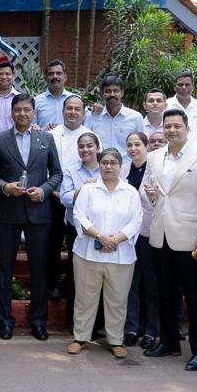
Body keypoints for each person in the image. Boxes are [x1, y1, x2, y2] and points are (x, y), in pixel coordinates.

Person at [0, 93, 64, 340]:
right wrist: (4, 187)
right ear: (12, 112)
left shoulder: (46, 139)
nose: (22, 114)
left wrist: (43, 191)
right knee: (5, 268)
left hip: (38, 213)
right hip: (9, 211)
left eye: (26, 110)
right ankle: (4, 320)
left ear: (33, 113)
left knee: (39, 269)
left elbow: (57, 174)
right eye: (18, 110)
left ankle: (39, 321)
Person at [142, 108, 197, 370]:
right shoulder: (154, 157)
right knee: (165, 293)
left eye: (176, 126)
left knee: (194, 297)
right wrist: (150, 195)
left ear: (187, 128)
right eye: (167, 126)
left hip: (188, 237)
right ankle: (169, 341)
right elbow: (149, 192)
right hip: (160, 234)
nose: (171, 130)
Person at [67, 147, 143, 358]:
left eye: (113, 163)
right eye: (104, 163)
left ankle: (116, 340)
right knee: (85, 297)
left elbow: (136, 220)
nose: (108, 167)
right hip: (87, 254)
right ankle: (80, 337)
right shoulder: (88, 190)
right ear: (99, 165)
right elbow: (79, 215)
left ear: (121, 167)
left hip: (121, 255)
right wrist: (100, 236)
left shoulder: (130, 192)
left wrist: (116, 239)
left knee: (117, 299)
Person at [47, 96, 90, 300]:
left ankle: (73, 284)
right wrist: (54, 191)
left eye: (77, 109)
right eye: (69, 108)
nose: (73, 112)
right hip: (54, 196)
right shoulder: (51, 135)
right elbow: (45, 165)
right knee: (53, 243)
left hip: (82, 200)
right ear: (63, 111)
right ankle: (53, 282)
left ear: (83, 113)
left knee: (76, 242)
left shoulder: (90, 137)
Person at [122, 131, 158, 351]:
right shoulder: (124, 169)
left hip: (149, 232)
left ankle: (152, 330)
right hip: (128, 235)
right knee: (131, 282)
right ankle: (132, 328)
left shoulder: (156, 169)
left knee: (151, 283)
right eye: (129, 145)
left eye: (137, 144)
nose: (133, 148)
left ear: (146, 146)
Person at [85, 76, 143, 150]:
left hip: (126, 161)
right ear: (102, 94)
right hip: (100, 161)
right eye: (108, 91)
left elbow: (141, 144)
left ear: (122, 93)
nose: (112, 94)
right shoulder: (92, 117)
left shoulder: (135, 117)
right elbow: (86, 142)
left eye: (116, 91)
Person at [34, 60, 75, 130]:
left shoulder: (75, 99)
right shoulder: (36, 101)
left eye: (58, 73)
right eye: (51, 74)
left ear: (65, 77)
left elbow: (83, 124)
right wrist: (44, 130)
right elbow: (32, 127)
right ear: (45, 78)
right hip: (44, 140)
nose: (55, 76)